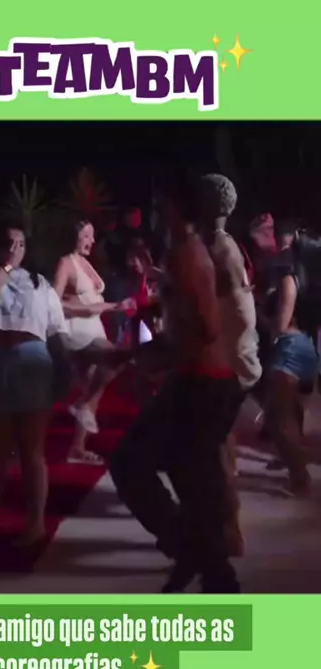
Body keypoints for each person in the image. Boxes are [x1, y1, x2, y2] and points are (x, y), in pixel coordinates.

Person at [109, 174, 243, 593]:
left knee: (133, 463)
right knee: (188, 484)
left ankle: (197, 556)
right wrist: (138, 354)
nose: (153, 212)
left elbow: (208, 327)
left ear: (174, 205)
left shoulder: (188, 254)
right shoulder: (183, 251)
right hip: (196, 381)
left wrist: (157, 355)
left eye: (158, 203)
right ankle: (204, 564)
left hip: (203, 385)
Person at [0, 218, 70, 544]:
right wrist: (6, 267)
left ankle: (35, 522)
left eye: (21, 244)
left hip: (32, 363)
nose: (15, 249)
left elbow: (56, 331)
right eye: (10, 243)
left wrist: (65, 370)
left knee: (31, 450)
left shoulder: (40, 284)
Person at [200, 174, 262, 554]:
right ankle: (226, 523)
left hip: (220, 361)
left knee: (215, 448)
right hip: (229, 356)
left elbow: (232, 309)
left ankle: (229, 528)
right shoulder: (224, 245)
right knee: (221, 442)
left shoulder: (216, 248)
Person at [53, 219, 134, 464]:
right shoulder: (66, 263)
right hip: (77, 332)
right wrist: (86, 309)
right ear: (74, 236)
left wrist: (111, 306)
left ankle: (77, 448)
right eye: (87, 235)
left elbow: (92, 300)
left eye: (93, 235)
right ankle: (81, 404)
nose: (92, 240)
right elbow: (54, 303)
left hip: (94, 330)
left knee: (92, 387)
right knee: (116, 357)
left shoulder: (84, 262)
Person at [262, 240, 319, 497]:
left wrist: (258, 315)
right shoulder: (306, 282)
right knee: (288, 416)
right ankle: (298, 472)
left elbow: (281, 326)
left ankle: (301, 479)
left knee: (278, 419)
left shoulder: (289, 280)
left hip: (290, 349)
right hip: (302, 346)